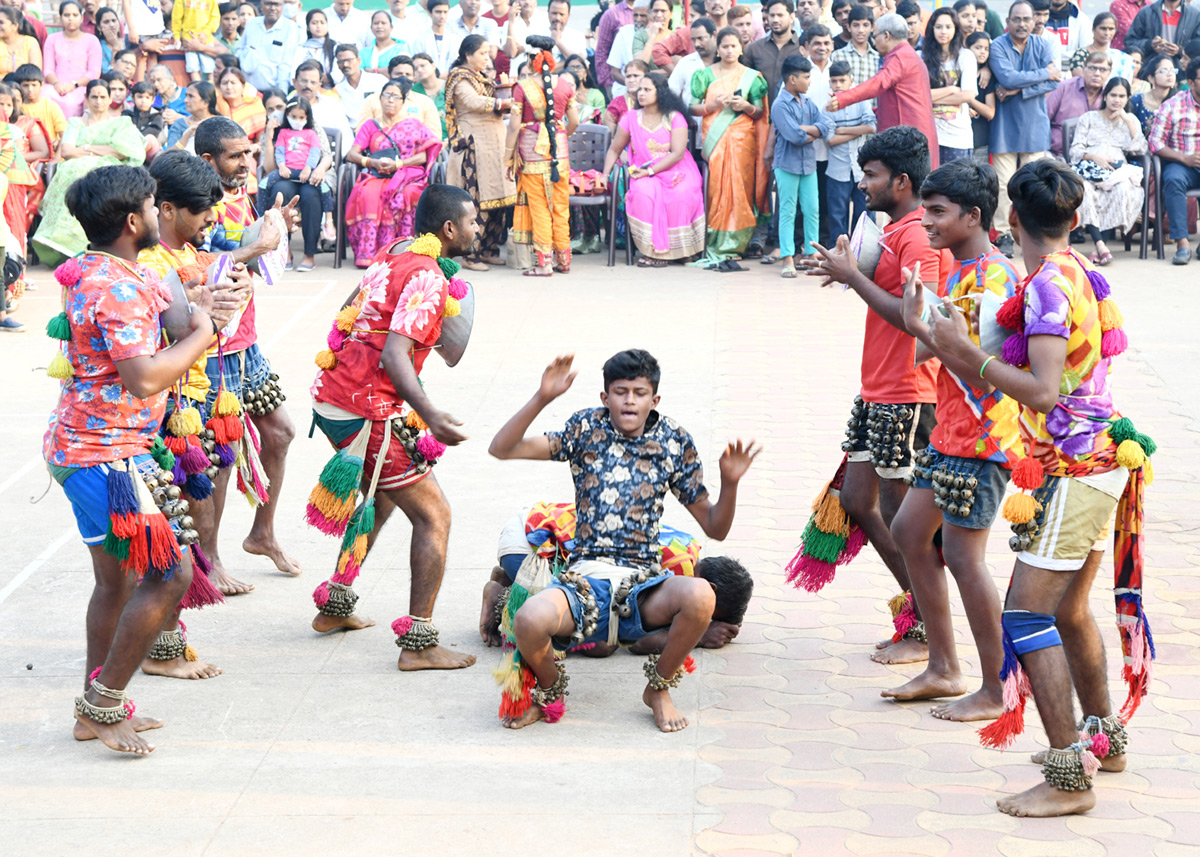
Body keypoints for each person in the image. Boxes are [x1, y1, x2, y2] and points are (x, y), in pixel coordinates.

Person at [927, 158, 1149, 818]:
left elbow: (1045, 391)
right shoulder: (1080, 269)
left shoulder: (1049, 285)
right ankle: (1101, 740)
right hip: (1098, 459)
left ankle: (1067, 778)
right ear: (1076, 219)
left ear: (1011, 220)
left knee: (1026, 614)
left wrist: (970, 356)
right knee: (1071, 610)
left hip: (1074, 469)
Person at [44, 165, 226, 756]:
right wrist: (204, 331)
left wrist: (192, 301)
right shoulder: (118, 287)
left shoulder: (106, 267)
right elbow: (145, 377)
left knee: (116, 583)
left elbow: (165, 314)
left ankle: (97, 704)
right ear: (133, 221)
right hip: (103, 456)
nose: (160, 212)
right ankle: (101, 705)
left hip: (98, 447)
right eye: (153, 205)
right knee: (168, 575)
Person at [487, 350, 759, 731]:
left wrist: (730, 484)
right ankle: (549, 690)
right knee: (529, 618)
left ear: (655, 400)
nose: (630, 400)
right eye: (620, 391)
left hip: (643, 585)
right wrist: (543, 397)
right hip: (584, 580)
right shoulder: (585, 429)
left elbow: (715, 527)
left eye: (639, 392)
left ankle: (658, 689)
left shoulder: (675, 441)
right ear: (605, 398)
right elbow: (502, 448)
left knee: (701, 596)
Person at [306, 183, 477, 671]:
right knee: (434, 516)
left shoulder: (396, 249)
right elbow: (394, 354)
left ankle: (334, 606)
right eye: (471, 222)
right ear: (448, 230)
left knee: (381, 500)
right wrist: (433, 413)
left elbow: (353, 309)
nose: (476, 229)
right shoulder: (427, 277)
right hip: (367, 407)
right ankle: (418, 645)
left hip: (335, 396)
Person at [802, 126, 952, 660]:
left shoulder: (917, 235)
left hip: (908, 391)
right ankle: (921, 614)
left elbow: (921, 321)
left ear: (902, 180)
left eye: (871, 175)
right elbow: (889, 292)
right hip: (880, 388)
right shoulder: (898, 229)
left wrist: (853, 278)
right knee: (856, 501)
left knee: (898, 514)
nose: (863, 184)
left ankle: (929, 629)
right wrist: (847, 273)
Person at [883, 159, 1021, 721]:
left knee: (965, 557)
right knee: (910, 532)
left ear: (974, 216)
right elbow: (931, 351)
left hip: (985, 439)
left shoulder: (994, 278)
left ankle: (996, 688)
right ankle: (944, 667)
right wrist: (921, 325)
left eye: (937, 213)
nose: (927, 222)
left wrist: (926, 330)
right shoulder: (965, 272)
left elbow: (977, 363)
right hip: (951, 435)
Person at [194, 116, 303, 590]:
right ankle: (210, 558)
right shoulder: (193, 202)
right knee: (220, 453)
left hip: (245, 340)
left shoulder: (242, 191)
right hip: (212, 347)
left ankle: (261, 532)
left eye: (250, 153)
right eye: (237, 155)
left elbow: (250, 261)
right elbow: (198, 263)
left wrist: (275, 232)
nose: (247, 162)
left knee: (279, 432)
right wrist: (260, 243)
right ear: (208, 161)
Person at [32, 78, 145, 264]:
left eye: (102, 97)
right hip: (73, 170)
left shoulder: (121, 124)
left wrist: (85, 148)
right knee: (75, 171)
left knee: (88, 171)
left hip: (109, 171)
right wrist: (101, 148)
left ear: (110, 99)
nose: (98, 101)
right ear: (86, 99)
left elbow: (123, 151)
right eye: (94, 97)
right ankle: (62, 242)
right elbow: (67, 151)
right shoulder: (76, 123)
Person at [603, 71, 704, 266]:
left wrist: (651, 171)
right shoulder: (631, 118)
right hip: (642, 172)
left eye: (647, 89)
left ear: (661, 93)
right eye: (640, 89)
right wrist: (605, 175)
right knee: (643, 194)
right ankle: (653, 252)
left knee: (680, 194)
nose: (641, 93)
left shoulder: (674, 117)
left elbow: (677, 154)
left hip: (677, 170)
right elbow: (614, 149)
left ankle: (680, 251)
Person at [690, 26, 768, 268]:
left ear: (741, 48)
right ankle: (716, 241)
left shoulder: (753, 77)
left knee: (741, 189)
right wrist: (712, 105)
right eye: (725, 46)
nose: (729, 50)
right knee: (717, 189)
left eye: (734, 46)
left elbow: (759, 113)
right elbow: (692, 107)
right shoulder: (704, 75)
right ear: (718, 48)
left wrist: (745, 106)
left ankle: (738, 243)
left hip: (744, 141)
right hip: (715, 141)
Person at [989, 0, 1061, 258]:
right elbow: (1007, 77)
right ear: (1007, 22)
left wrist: (1018, 89)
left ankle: (1032, 231)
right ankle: (1005, 233)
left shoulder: (1042, 44)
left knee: (1035, 184)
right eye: (1016, 19)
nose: (1021, 24)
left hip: (1034, 124)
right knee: (1003, 183)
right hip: (1005, 125)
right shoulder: (997, 45)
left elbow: (1054, 83)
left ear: (1034, 22)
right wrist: (1043, 73)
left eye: (1026, 19)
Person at [345, 77, 442, 265]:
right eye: (387, 95)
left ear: (403, 102)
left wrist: (398, 165)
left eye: (395, 97)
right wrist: (372, 161)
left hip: (407, 176)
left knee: (409, 194)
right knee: (368, 193)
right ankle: (369, 255)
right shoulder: (370, 126)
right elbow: (352, 154)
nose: (390, 100)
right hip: (378, 174)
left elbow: (423, 156)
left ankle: (404, 253)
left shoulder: (414, 125)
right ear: (379, 99)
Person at [826, 14, 941, 168]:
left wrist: (843, 98)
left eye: (874, 36)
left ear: (886, 35)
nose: (873, 42)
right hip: (913, 130)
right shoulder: (907, 54)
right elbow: (897, 99)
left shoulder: (900, 56)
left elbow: (878, 83)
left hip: (906, 136)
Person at [505, 43, 578, 276]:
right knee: (560, 207)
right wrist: (559, 134)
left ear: (529, 62)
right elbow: (573, 121)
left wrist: (508, 156)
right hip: (560, 155)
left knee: (539, 208)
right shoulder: (566, 85)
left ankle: (544, 264)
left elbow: (514, 125)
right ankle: (563, 261)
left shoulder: (522, 87)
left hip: (532, 156)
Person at [444, 34, 515, 270]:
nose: (487, 58)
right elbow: (473, 102)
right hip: (474, 148)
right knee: (478, 202)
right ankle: (470, 255)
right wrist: (504, 103)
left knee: (499, 200)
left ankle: (489, 249)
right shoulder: (459, 77)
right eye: (483, 53)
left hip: (494, 147)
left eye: (487, 53)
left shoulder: (481, 77)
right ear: (468, 54)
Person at [1068, 76, 1146, 265]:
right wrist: (1094, 157)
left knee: (1124, 190)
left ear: (1128, 98)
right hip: (1090, 169)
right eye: (1113, 95)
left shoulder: (1130, 120)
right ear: (1105, 96)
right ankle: (1101, 244)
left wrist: (1127, 120)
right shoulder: (1089, 118)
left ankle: (1098, 247)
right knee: (1084, 190)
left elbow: (1141, 149)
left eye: (1122, 96)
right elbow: (1075, 150)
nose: (1116, 100)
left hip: (1117, 172)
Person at [771, 55, 833, 276]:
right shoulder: (779, 105)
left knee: (812, 209)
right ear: (792, 79)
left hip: (808, 164)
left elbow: (825, 125)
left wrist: (807, 129)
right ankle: (787, 257)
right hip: (786, 164)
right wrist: (813, 131)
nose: (809, 82)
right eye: (806, 77)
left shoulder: (808, 102)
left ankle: (811, 252)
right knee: (787, 211)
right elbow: (794, 136)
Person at [824, 59, 874, 241]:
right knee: (837, 217)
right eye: (834, 81)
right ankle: (838, 255)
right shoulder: (827, 107)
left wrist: (843, 130)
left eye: (842, 81)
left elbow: (871, 127)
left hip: (862, 170)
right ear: (830, 82)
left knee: (865, 216)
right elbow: (830, 140)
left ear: (851, 81)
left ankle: (862, 256)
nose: (838, 85)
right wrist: (858, 129)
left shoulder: (861, 102)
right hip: (838, 170)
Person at [924, 8, 979, 165]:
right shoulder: (923, 57)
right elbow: (919, 96)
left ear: (955, 29)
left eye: (948, 27)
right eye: (939, 27)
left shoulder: (965, 56)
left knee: (955, 187)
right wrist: (952, 90)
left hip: (958, 136)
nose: (943, 31)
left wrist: (931, 96)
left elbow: (968, 95)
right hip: (930, 134)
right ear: (932, 28)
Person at [43, 1, 103, 118]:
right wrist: (57, 84)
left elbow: (94, 72)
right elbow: (48, 70)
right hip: (56, 86)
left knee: (70, 104)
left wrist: (74, 84)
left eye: (75, 15)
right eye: (66, 15)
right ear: (60, 18)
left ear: (81, 18)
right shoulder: (52, 39)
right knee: (43, 96)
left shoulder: (92, 40)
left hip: (82, 86)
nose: (71, 19)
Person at [1047, 50, 1109, 158]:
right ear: (1083, 68)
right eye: (1092, 68)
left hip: (1093, 157)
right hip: (1056, 154)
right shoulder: (1064, 88)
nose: (1097, 74)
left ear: (1109, 73)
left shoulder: (1110, 96)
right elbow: (1043, 119)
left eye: (1102, 70)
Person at [744, 0, 802, 112]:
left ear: (791, 17)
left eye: (780, 15)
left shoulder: (802, 49)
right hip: (760, 117)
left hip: (795, 117)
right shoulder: (754, 49)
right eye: (772, 15)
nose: (775, 20)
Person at [238, 0, 301, 93]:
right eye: (268, 4)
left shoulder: (290, 28)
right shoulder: (252, 24)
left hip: (272, 91)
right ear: (261, 5)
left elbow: (286, 64)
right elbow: (239, 51)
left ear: (282, 6)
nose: (272, 8)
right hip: (247, 90)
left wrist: (281, 93)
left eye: (276, 4)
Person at [1122, 0, 1200, 64]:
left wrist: (1180, 50)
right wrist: (1149, 45)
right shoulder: (1146, 12)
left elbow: (1197, 46)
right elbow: (1130, 41)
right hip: (1150, 70)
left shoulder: (1195, 16)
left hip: (1182, 72)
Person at [1062, 13, 1133, 81]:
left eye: (1111, 29)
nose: (1107, 33)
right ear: (1093, 29)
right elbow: (1081, 81)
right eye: (1103, 28)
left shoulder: (1120, 56)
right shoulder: (1081, 54)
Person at [13, 65, 68, 149]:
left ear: (42, 85)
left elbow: (65, 135)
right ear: (19, 86)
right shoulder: (17, 108)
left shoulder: (51, 106)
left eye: (34, 85)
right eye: (25, 85)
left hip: (52, 153)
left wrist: (56, 158)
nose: (30, 89)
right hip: (27, 155)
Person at [334, 43, 387, 123]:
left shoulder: (379, 81)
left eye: (349, 60)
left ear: (358, 60)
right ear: (338, 65)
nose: (345, 65)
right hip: (350, 132)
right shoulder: (338, 90)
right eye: (341, 61)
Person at [966, 32, 997, 166]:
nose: (982, 52)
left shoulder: (986, 78)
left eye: (986, 49)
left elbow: (990, 112)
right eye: (977, 48)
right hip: (958, 137)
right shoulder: (959, 72)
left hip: (981, 138)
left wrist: (970, 100)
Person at [1129, 54, 1177, 139]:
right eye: (1164, 71)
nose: (1170, 74)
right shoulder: (1137, 101)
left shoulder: (1178, 102)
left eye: (1173, 70)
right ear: (1151, 78)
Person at [608, 0, 650, 96]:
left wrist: (643, 88)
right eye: (635, 15)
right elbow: (614, 72)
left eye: (643, 16)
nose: (638, 19)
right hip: (625, 91)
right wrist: (632, 87)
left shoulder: (657, 35)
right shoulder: (624, 33)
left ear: (651, 15)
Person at [831, 4, 879, 87]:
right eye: (856, 25)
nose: (860, 30)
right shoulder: (837, 56)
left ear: (872, 27)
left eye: (865, 25)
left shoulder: (878, 58)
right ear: (849, 27)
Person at [216, 66, 266, 143]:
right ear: (219, 86)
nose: (229, 87)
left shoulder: (254, 105)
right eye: (224, 83)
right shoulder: (215, 106)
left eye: (233, 83)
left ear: (243, 86)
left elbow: (261, 142)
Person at [165, 80, 218, 151]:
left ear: (205, 102)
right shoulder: (180, 124)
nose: (185, 100)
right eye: (186, 96)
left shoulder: (219, 124)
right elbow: (168, 156)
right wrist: (186, 137)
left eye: (191, 96)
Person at [174, 0, 219, 81]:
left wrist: (206, 32)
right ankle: (198, 90)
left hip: (205, 39)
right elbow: (176, 18)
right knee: (193, 69)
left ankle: (212, 91)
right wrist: (176, 37)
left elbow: (215, 17)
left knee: (210, 69)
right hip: (188, 40)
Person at [595, 0, 634, 90]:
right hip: (619, 84)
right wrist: (608, 83)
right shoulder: (612, 14)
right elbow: (602, 51)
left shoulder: (654, 9)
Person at [410, 0, 456, 76]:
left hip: (450, 81)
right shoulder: (421, 39)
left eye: (445, 12)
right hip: (426, 82)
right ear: (429, 13)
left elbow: (456, 65)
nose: (442, 16)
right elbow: (417, 64)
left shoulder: (455, 39)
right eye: (438, 12)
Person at [297, 9, 340, 86]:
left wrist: (315, 79)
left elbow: (337, 75)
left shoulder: (334, 47)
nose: (318, 26)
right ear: (308, 27)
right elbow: (295, 73)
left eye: (322, 23)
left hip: (329, 91)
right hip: (305, 88)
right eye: (314, 23)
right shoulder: (301, 48)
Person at [632, 0, 673, 72]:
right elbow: (638, 66)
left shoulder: (675, 36)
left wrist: (649, 73)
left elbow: (679, 69)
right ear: (650, 13)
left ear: (671, 14)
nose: (659, 15)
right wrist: (652, 36)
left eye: (663, 11)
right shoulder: (640, 35)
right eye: (655, 11)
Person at [0, 7, 41, 76]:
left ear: (15, 26)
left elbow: (35, 73)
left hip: (25, 84)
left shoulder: (31, 42)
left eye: (1, 22)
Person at [564, 54, 604, 122]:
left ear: (585, 72)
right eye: (571, 67)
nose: (575, 70)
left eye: (579, 67)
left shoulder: (596, 94)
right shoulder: (560, 92)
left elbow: (601, 119)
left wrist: (583, 102)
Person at [364, 10, 404, 75]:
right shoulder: (364, 52)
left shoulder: (401, 48)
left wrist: (372, 71)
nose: (379, 26)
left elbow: (400, 70)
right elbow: (359, 73)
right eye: (376, 23)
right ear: (371, 28)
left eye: (383, 23)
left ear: (391, 27)